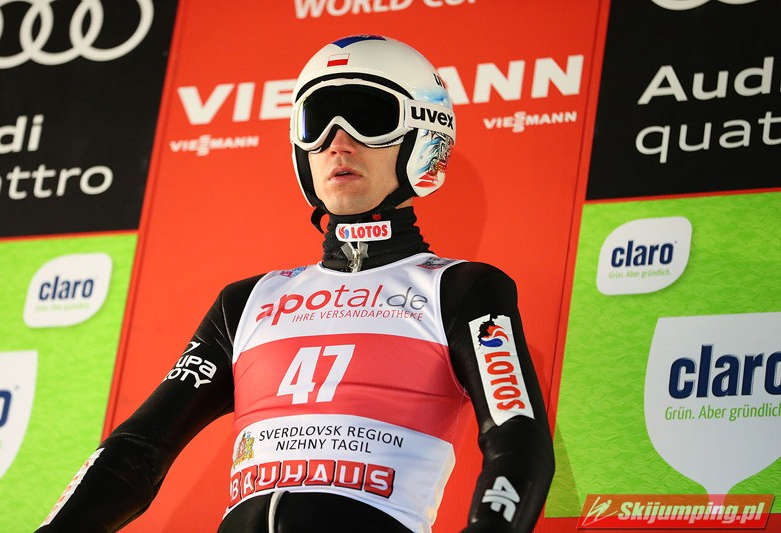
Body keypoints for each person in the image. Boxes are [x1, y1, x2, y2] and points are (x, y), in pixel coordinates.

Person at [37, 34, 555, 533]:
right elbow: (136, 451)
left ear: (423, 137)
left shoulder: (462, 289)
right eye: (316, 123)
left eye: (368, 118)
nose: (337, 143)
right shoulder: (244, 302)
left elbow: (517, 435)